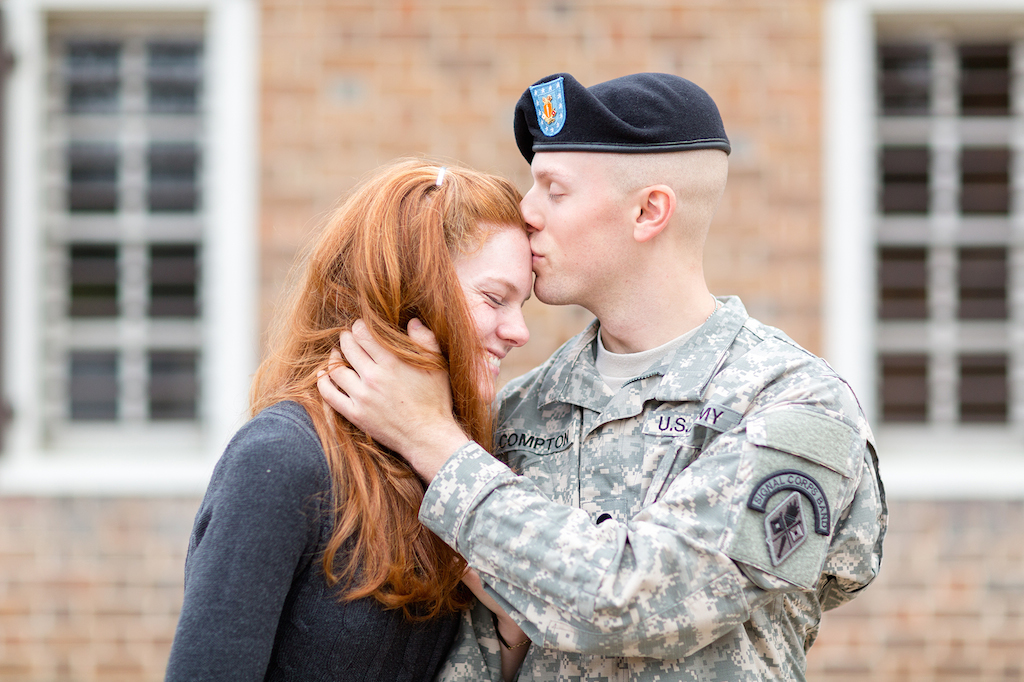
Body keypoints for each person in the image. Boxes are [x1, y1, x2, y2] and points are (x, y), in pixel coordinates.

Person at [318, 73, 887, 682]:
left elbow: (644, 600)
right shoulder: (522, 408)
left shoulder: (797, 407)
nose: (525, 211)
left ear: (648, 211)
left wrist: (432, 441)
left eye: (554, 190)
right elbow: (477, 653)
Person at [165, 158, 535, 681]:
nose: (518, 330)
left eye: (521, 303)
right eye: (495, 298)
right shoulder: (282, 459)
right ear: (413, 288)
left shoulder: (452, 467)